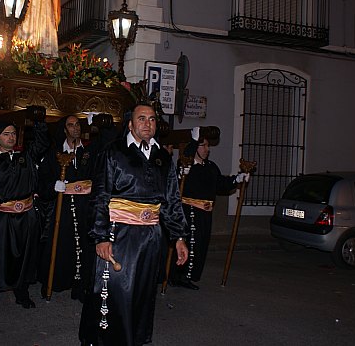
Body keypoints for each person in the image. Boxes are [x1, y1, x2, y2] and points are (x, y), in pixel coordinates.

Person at [79, 103, 190, 346]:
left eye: (151, 119)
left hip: (151, 236)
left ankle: (134, 340)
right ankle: (103, 340)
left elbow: (171, 200)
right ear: (130, 124)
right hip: (119, 233)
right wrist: (100, 236)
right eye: (142, 119)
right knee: (116, 292)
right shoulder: (113, 152)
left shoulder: (163, 157)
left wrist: (179, 237)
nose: (147, 124)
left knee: (142, 292)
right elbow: (100, 196)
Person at [0, 109, 49, 308]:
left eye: (13, 133)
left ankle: (21, 291)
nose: (11, 137)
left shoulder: (25, 157)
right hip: (0, 217)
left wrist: (39, 122)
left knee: (24, 256)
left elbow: (41, 144)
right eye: (6, 133)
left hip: (26, 215)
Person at [36, 113, 116, 302]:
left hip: (84, 206)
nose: (76, 128)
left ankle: (82, 286)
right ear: (65, 130)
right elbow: (43, 180)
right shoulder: (54, 153)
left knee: (86, 245)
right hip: (62, 207)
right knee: (62, 243)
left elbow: (109, 142)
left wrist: (98, 124)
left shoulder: (90, 150)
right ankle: (54, 282)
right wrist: (54, 187)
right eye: (71, 125)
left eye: (78, 125)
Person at [168, 126, 249, 290]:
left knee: (201, 245)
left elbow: (220, 185)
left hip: (205, 214)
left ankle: (191, 275)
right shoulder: (186, 166)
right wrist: (192, 142)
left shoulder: (211, 166)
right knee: (190, 244)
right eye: (203, 145)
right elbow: (177, 180)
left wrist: (237, 179)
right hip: (189, 212)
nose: (207, 149)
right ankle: (180, 276)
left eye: (208, 146)